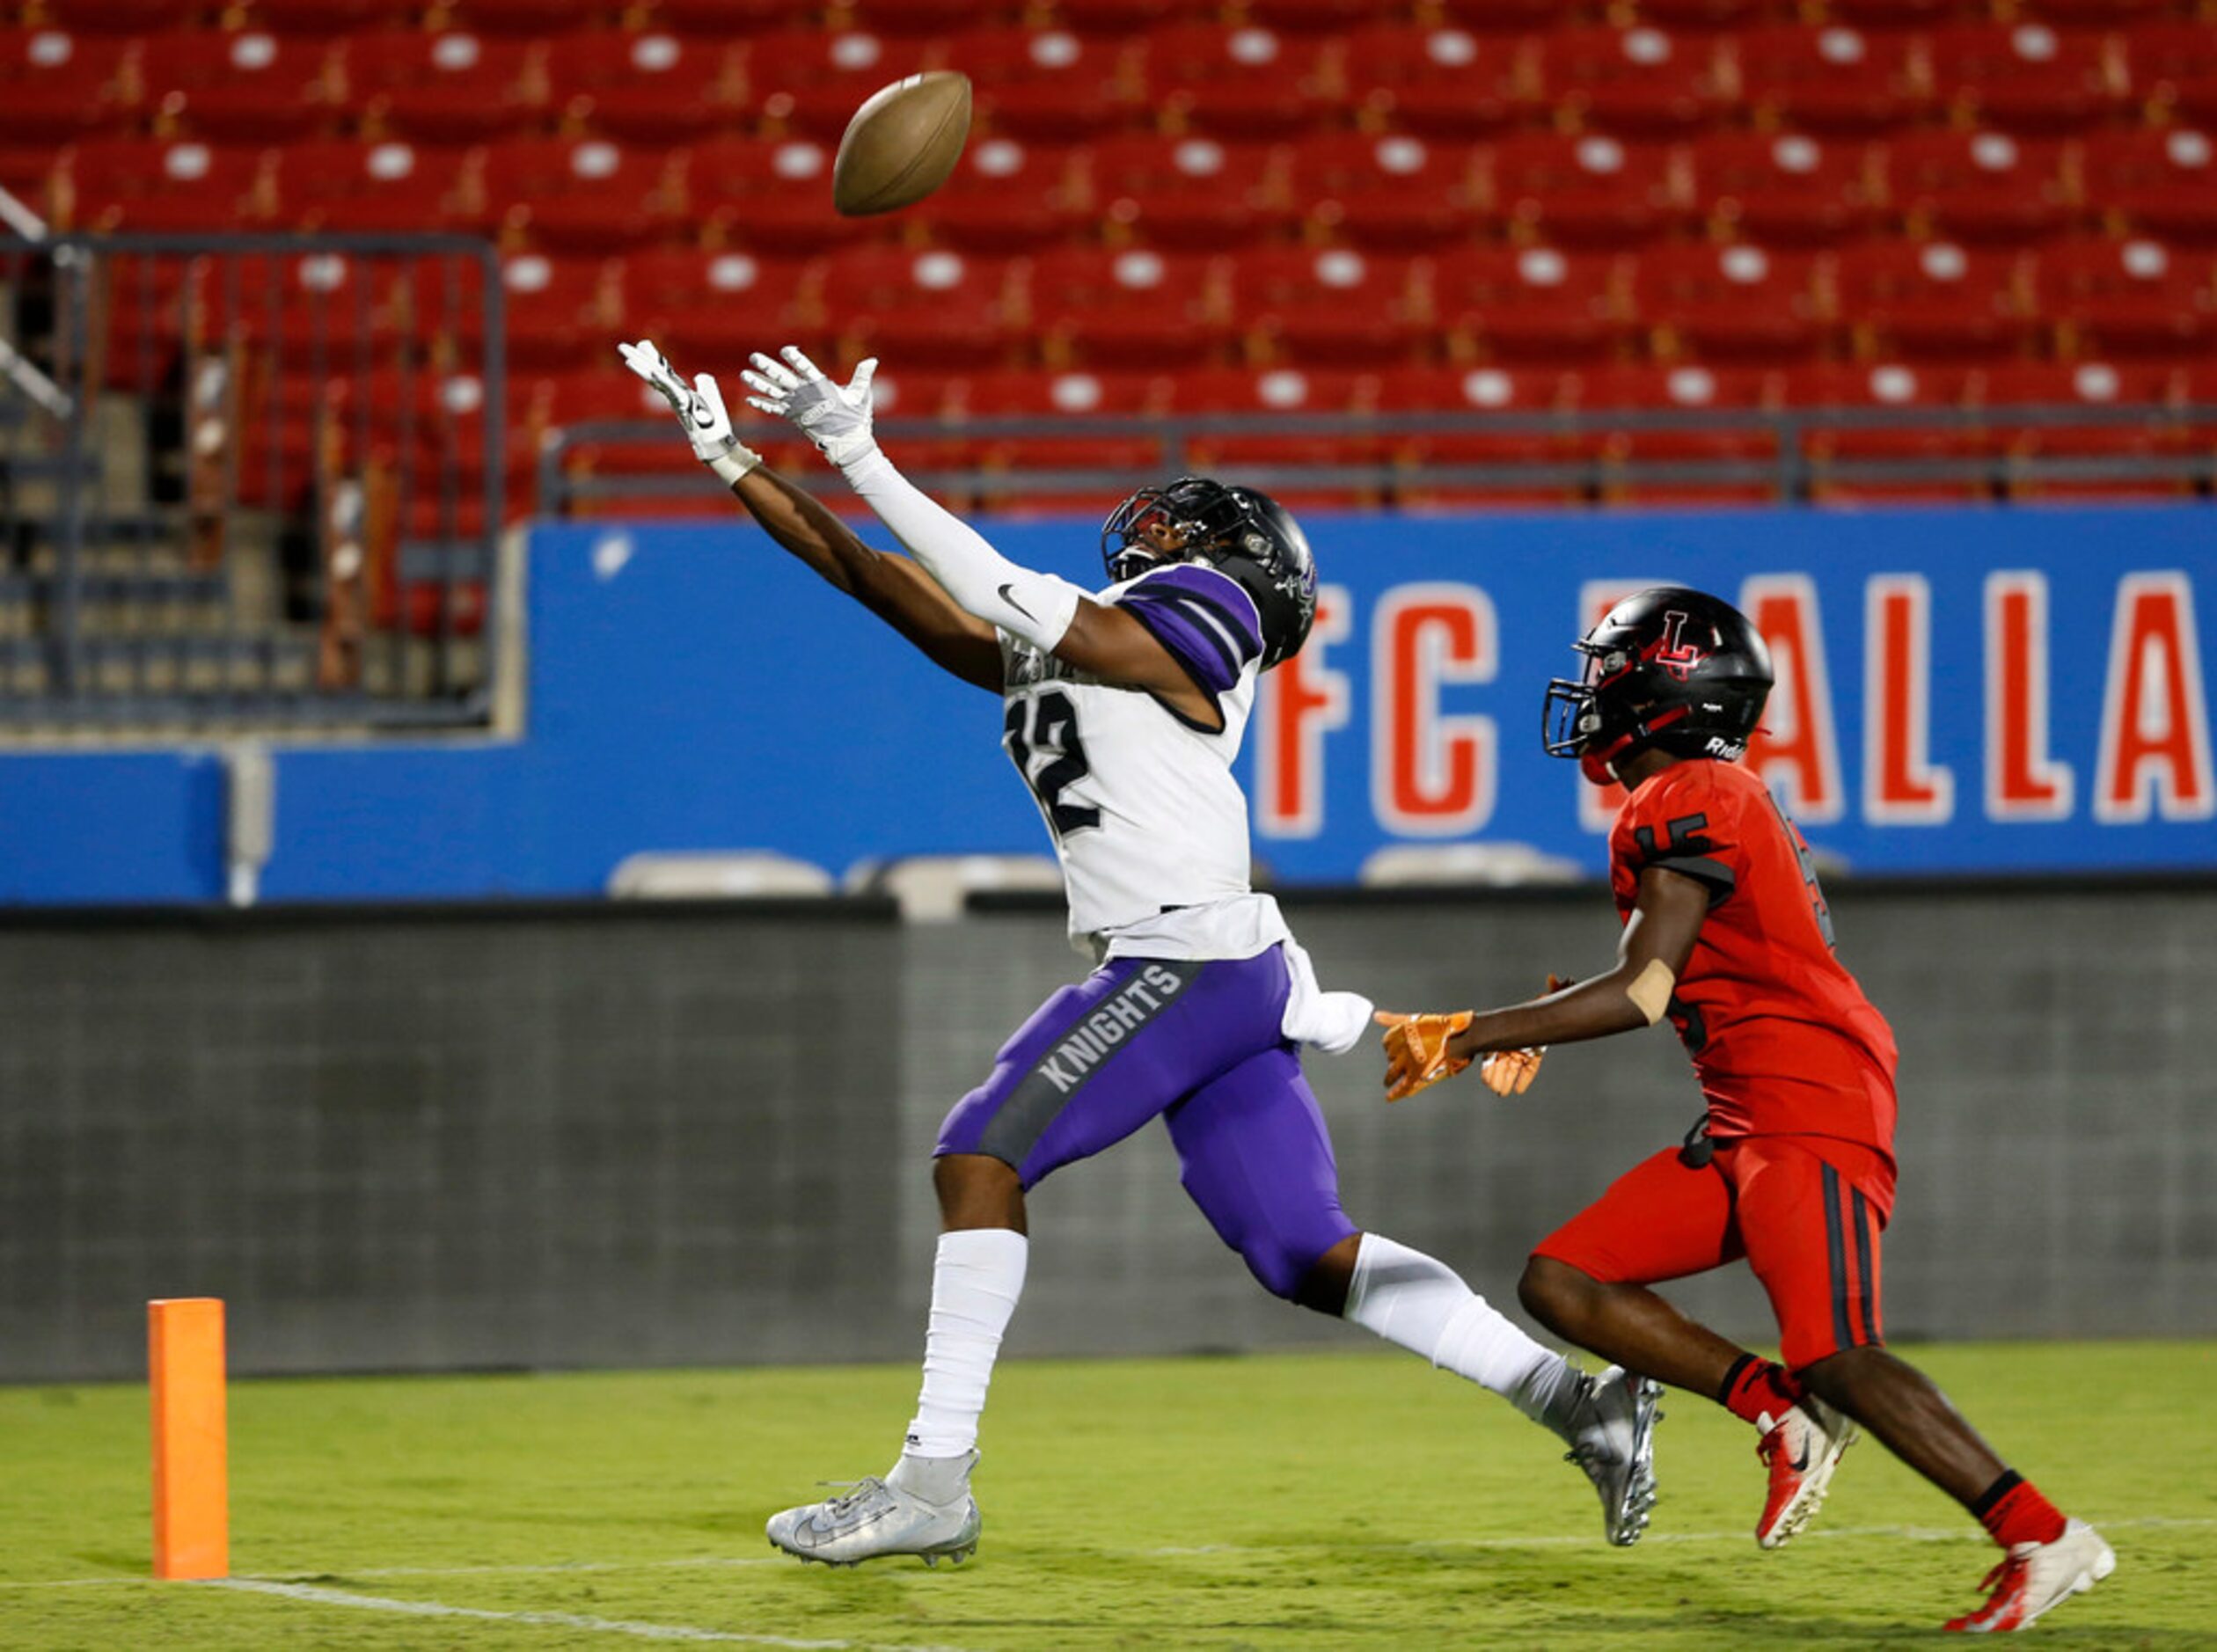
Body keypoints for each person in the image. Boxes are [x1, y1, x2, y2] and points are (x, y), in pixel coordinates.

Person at [617, 337, 1664, 1567]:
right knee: (1298, 1246)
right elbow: (881, 581)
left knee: (979, 1154)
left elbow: (1015, 594)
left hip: (1189, 961)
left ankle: (932, 1481)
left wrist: (856, 449)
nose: (1155, 538)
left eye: (1184, 534)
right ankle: (1575, 1401)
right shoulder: (1092, 634)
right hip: (1217, 969)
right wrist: (735, 460)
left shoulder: (1193, 619)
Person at [1377, 587, 2115, 1634]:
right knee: (1567, 1278)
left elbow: (1642, 993)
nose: (1594, 693)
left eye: (1612, 672)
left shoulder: (1691, 793)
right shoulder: (1700, 794)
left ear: (1665, 691)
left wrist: (1470, 1031)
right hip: (1749, 1109)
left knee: (1839, 1352)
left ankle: (2043, 1534)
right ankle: (1777, 1412)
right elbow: (1675, 972)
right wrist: (1540, 1015)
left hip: (1803, 1103)